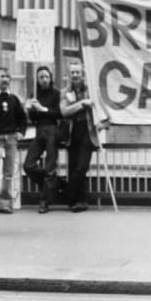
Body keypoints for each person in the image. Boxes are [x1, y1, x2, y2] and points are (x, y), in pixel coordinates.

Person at [60, 61, 107, 213]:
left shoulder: (91, 91)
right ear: (69, 75)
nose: (75, 75)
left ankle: (67, 194)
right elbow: (64, 111)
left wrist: (103, 123)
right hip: (72, 132)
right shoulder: (64, 92)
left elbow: (104, 110)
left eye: (77, 72)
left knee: (81, 166)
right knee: (73, 167)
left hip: (87, 132)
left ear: (82, 74)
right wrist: (82, 104)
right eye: (72, 72)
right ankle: (77, 201)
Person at [0, 67, 27, 214]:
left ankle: (5, 203)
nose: (5, 79)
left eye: (8, 77)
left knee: (9, 173)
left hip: (11, 139)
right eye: (2, 76)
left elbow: (22, 117)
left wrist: (21, 131)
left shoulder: (14, 99)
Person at [23, 66, 62, 214]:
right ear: (37, 80)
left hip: (52, 131)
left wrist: (42, 108)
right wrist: (29, 110)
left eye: (46, 76)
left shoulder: (57, 94)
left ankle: (44, 201)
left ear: (51, 78)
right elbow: (33, 119)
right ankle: (55, 182)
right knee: (28, 165)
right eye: (41, 77)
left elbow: (59, 114)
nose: (44, 80)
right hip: (39, 131)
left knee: (50, 166)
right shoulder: (35, 93)